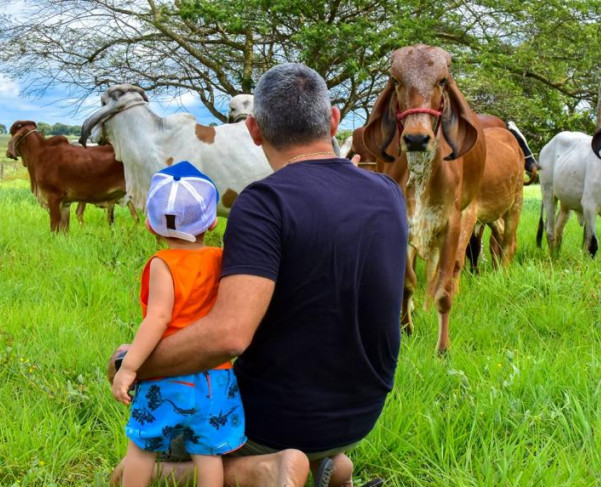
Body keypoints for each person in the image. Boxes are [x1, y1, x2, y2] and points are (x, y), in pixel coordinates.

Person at [109, 63, 408, 487]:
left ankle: (265, 469)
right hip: (361, 414)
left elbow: (228, 335)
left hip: (276, 420)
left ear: (253, 129)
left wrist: (135, 366)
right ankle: (327, 466)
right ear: (334, 119)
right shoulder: (388, 193)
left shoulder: (264, 202)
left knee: (131, 471)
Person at [111, 161, 246, 487]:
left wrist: (129, 368)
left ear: (150, 226)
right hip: (216, 375)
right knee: (208, 453)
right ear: (212, 222)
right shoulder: (219, 258)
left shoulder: (163, 264)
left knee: (143, 446)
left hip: (167, 377)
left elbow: (158, 319)